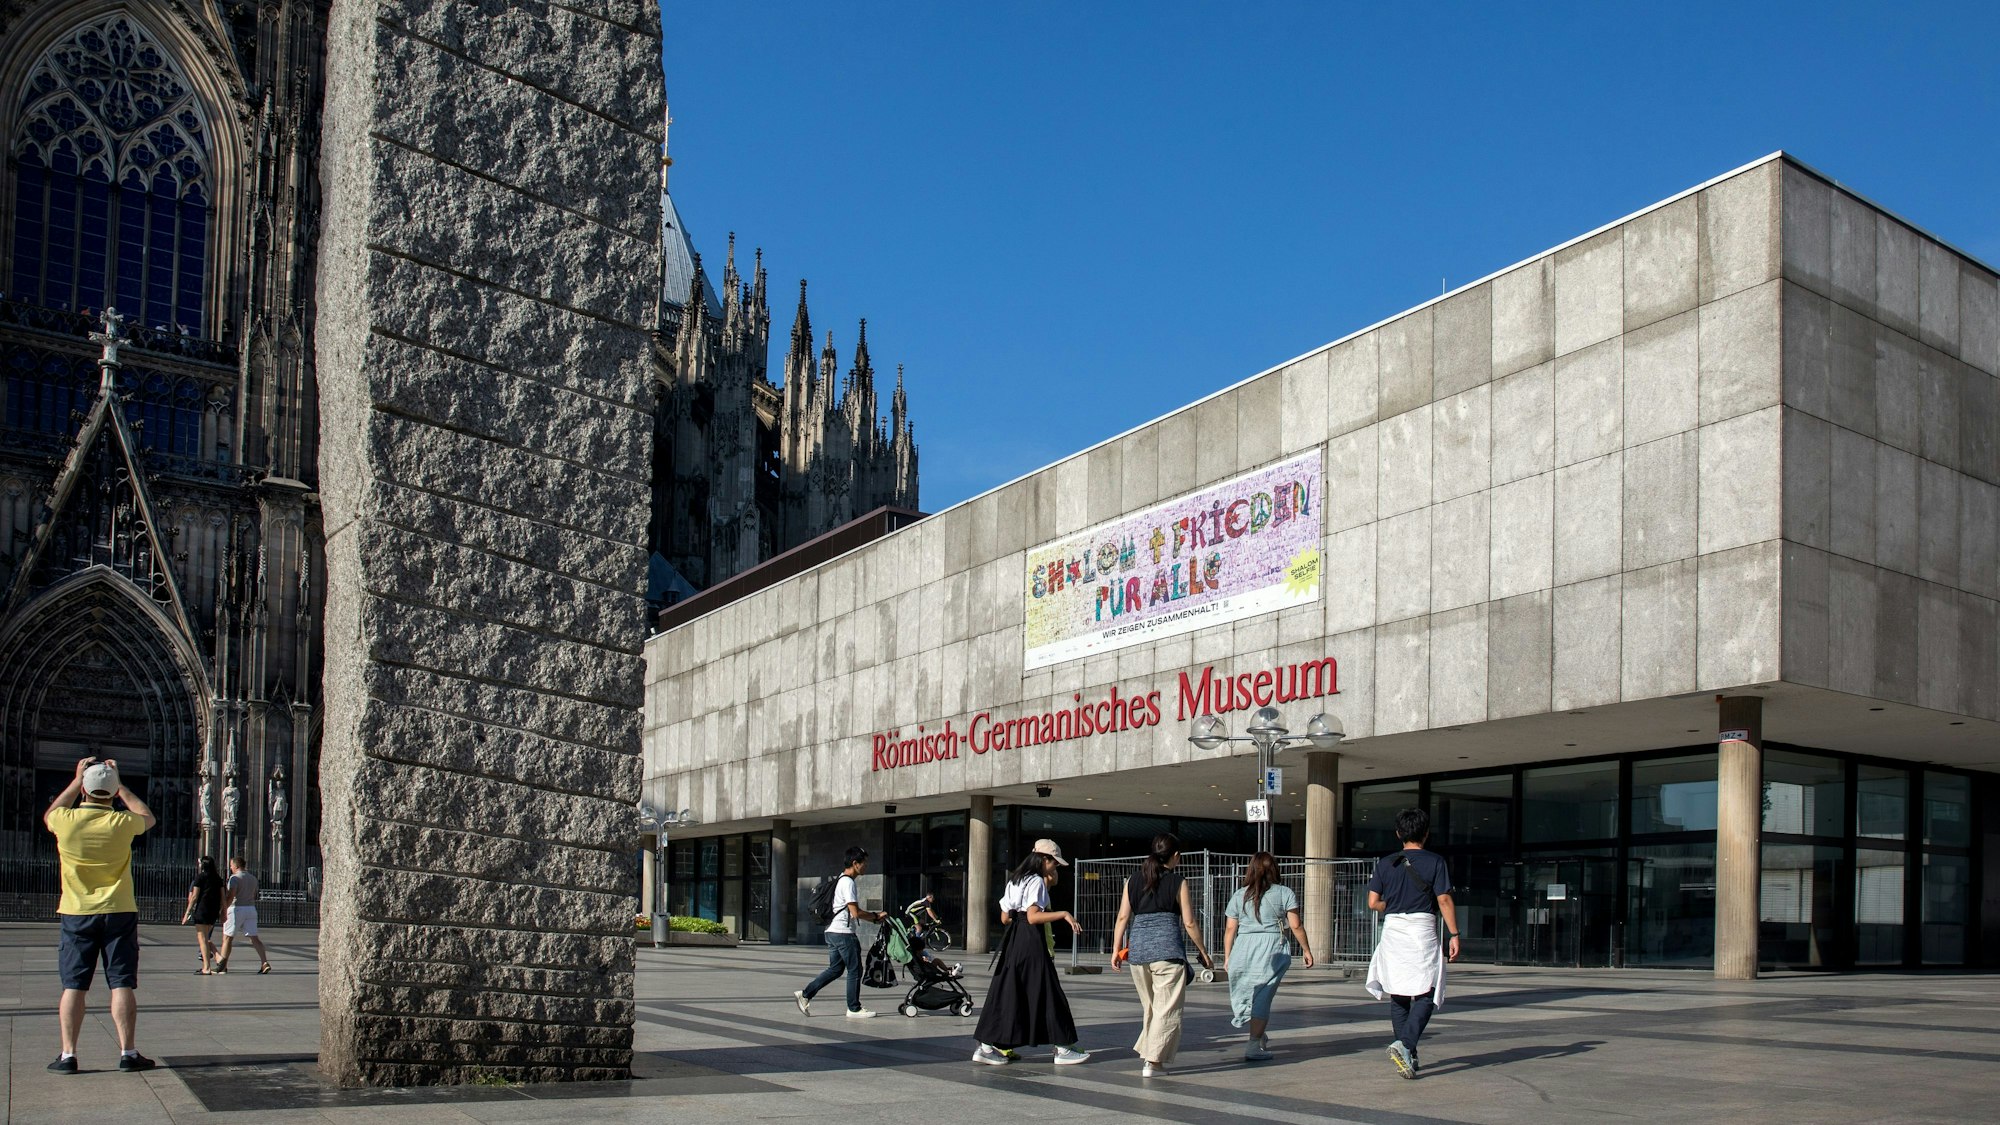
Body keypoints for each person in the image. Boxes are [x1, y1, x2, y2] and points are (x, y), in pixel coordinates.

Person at [44, 757, 157, 1073]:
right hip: (118, 910)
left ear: (83, 790)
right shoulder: (121, 823)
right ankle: (128, 1052)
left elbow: (49, 814)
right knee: (121, 983)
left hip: (76, 912)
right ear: (111, 794)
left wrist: (76, 780)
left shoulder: (65, 821)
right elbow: (147, 817)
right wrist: (119, 785)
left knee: (74, 985)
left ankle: (68, 1055)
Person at [972, 840, 1089, 1066]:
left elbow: (1005, 918)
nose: (1055, 868)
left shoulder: (1015, 879)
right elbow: (1034, 916)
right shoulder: (1036, 881)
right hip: (1030, 940)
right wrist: (1064, 914)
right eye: (1054, 863)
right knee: (1049, 991)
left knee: (1008, 991)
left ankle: (986, 1046)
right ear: (1045, 860)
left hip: (1014, 939)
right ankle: (1063, 1048)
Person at [1364, 808, 1459, 1080]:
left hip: (1392, 930)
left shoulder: (1385, 863)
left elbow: (1373, 903)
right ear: (1426, 833)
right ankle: (1405, 1044)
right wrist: (1454, 934)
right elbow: (1443, 900)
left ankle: (1408, 1052)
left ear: (1398, 834)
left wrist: (1392, 905)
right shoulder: (1435, 861)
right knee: (1427, 991)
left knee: (1399, 993)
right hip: (1421, 931)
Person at [1110, 833, 1211, 1077]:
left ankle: (1149, 1055)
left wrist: (1116, 949)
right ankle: (1152, 1062)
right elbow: (1188, 921)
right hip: (1167, 952)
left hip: (1138, 953)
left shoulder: (1132, 880)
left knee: (1152, 1008)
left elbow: (1123, 917)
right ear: (1176, 856)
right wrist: (1203, 952)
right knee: (1167, 1010)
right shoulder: (1178, 881)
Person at [1223, 851, 1314, 1061]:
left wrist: (1228, 956)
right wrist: (1306, 950)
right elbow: (1295, 925)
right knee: (1263, 996)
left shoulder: (1239, 894)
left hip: (1243, 947)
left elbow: (1230, 929)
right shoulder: (1284, 893)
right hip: (1271, 947)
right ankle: (1254, 1043)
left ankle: (1258, 1033)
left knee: (1245, 992)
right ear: (1274, 869)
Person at [794, 846, 886, 1018]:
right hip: (843, 933)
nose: (866, 866)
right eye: (864, 863)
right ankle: (854, 1008)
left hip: (831, 931)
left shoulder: (840, 879)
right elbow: (855, 912)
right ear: (855, 863)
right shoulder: (848, 883)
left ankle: (805, 994)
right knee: (855, 970)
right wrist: (875, 916)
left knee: (835, 969)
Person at [215, 857, 271, 974]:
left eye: (231, 865)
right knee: (254, 938)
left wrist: (223, 910)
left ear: (236, 866)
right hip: (250, 908)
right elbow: (254, 894)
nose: (230, 868)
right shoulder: (253, 878)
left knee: (227, 938)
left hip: (237, 909)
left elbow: (231, 895)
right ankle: (264, 962)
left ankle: (223, 966)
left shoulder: (234, 878)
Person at [182, 856, 225, 974]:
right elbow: (223, 898)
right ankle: (218, 957)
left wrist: (187, 913)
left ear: (203, 865)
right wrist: (223, 912)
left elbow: (194, 897)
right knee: (206, 938)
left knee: (202, 939)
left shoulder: (200, 877)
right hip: (213, 911)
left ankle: (206, 967)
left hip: (202, 909)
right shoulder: (218, 878)